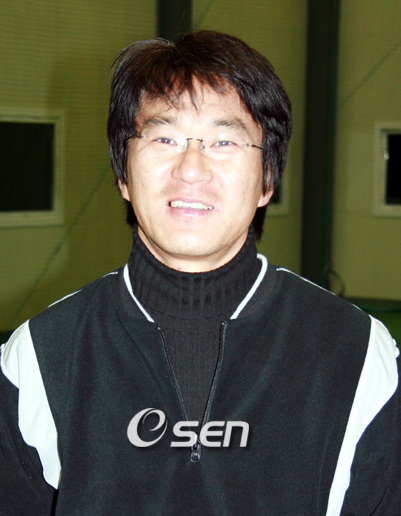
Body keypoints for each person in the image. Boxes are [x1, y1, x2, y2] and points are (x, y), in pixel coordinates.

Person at [0, 30, 400, 516]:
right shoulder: (40, 356)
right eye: (164, 137)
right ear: (123, 173)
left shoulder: (357, 352)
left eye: (224, 140)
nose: (191, 168)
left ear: (267, 179)